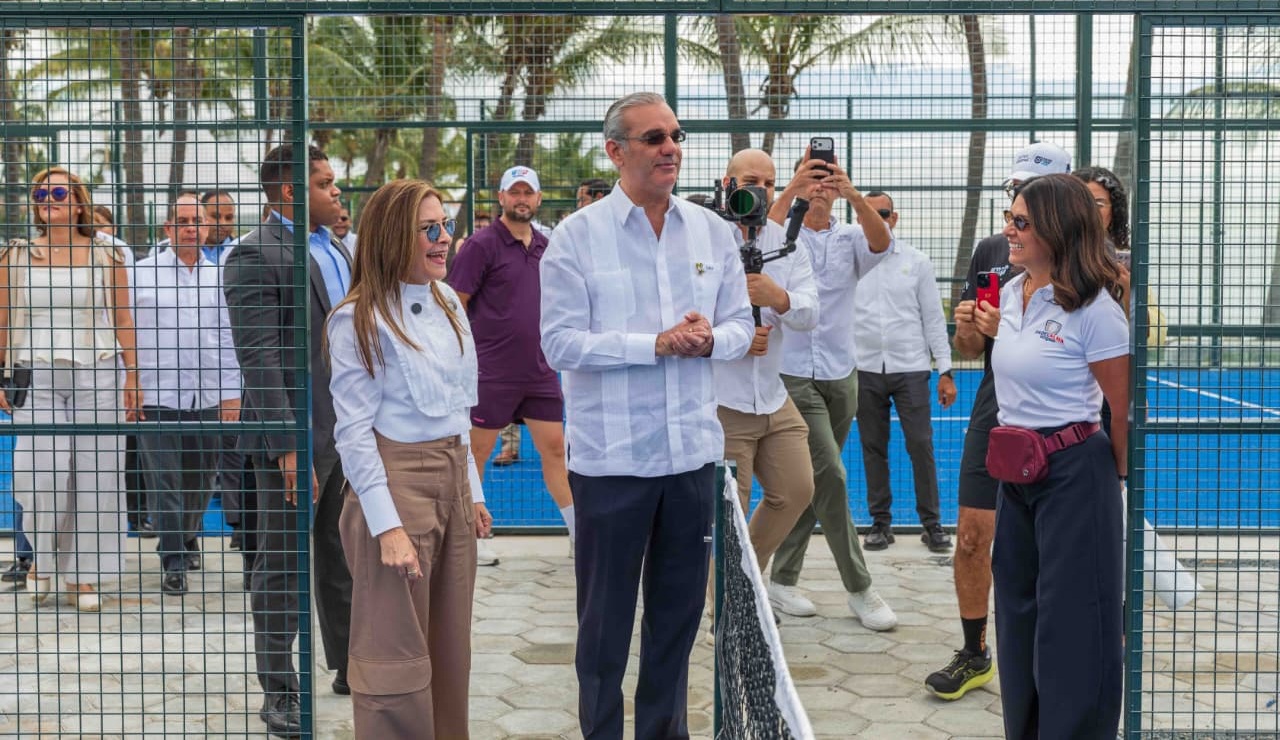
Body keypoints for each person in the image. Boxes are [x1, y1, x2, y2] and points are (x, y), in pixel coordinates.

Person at [540, 92, 753, 739]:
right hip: (612, 465)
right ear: (615, 152)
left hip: (690, 461)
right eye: (654, 137)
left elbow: (743, 325)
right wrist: (653, 343)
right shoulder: (576, 238)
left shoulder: (713, 233)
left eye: (676, 135)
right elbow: (559, 343)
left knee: (677, 625)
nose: (671, 148)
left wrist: (710, 337)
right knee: (603, 633)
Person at [327, 178, 493, 739]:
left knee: (451, 652)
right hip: (393, 486)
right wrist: (387, 526)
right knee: (392, 662)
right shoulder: (356, 318)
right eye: (429, 228)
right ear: (394, 236)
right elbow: (352, 434)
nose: (444, 237)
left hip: (451, 480)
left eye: (445, 225)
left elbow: (455, 409)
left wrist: (472, 489)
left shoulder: (448, 300)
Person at [925, 141, 1071, 700]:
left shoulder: (1089, 258)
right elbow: (968, 348)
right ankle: (975, 652)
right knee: (971, 536)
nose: (1016, 203)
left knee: (1050, 547)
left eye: (1029, 191)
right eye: (1013, 191)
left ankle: (1050, 655)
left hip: (1062, 416)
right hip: (997, 406)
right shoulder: (993, 248)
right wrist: (969, 326)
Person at [986, 173, 1129, 739]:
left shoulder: (1095, 309)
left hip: (1074, 474)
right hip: (1015, 475)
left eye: (1021, 222)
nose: (1009, 230)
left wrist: (1108, 483)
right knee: (1018, 617)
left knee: (1073, 628)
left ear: (1057, 229)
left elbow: (1120, 409)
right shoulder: (1014, 293)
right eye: (1010, 218)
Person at [222, 144, 352, 737]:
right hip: (297, 435)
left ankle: (352, 665)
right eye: (326, 183)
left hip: (351, 429)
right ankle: (279, 693)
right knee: (280, 566)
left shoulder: (339, 248)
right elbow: (259, 359)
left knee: (346, 554)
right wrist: (287, 441)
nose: (337, 192)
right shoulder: (253, 255)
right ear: (291, 192)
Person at [762, 147, 898, 632]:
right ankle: (860, 588)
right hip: (792, 371)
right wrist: (793, 187)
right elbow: (759, 239)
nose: (821, 181)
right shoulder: (783, 233)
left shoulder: (852, 236)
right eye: (814, 171)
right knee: (834, 475)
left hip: (843, 373)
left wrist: (853, 194)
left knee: (816, 480)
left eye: (827, 173)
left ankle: (782, 578)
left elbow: (883, 243)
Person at [0, 166, 139, 612]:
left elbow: (122, 319)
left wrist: (133, 375)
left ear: (78, 201)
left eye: (59, 191)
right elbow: (2, 320)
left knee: (98, 476)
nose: (49, 198)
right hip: (34, 374)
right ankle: (41, 561)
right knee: (42, 474)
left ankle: (86, 575)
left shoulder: (107, 255)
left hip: (97, 372)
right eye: (41, 192)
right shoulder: (15, 256)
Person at [448, 165, 574, 565]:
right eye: (513, 192)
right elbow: (456, 303)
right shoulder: (481, 245)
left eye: (528, 193)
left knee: (556, 450)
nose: (521, 199)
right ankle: (473, 539)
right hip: (490, 372)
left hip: (539, 370)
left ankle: (579, 536)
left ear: (538, 199)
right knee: (477, 454)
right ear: (501, 197)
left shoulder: (547, 245)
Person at [712, 148, 818, 573]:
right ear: (727, 185)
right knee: (726, 517)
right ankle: (726, 616)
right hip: (723, 400)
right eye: (750, 181)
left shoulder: (787, 242)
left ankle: (742, 580)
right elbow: (681, 314)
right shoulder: (705, 238)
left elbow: (810, 313)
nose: (760, 191)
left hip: (773, 397)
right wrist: (734, 338)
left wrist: (780, 298)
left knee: (796, 490)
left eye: (769, 184)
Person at [132, 192, 241, 596]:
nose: (191, 228)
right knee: (164, 482)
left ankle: (182, 535)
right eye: (182, 221)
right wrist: (133, 382)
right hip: (157, 395)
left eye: (197, 221)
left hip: (208, 396)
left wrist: (232, 393)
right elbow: (128, 336)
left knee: (200, 480)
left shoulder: (221, 276)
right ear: (168, 228)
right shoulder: (141, 274)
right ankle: (174, 560)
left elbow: (230, 340)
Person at [851, 192, 955, 552]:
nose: (877, 219)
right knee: (872, 447)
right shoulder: (850, 261)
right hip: (863, 368)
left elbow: (933, 317)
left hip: (910, 367)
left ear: (895, 218)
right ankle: (880, 524)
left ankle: (933, 524)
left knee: (921, 444)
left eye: (883, 213)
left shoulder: (917, 262)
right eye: (869, 213)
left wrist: (946, 369)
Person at [200, 190, 239, 264]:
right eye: (216, 216)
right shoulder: (184, 249)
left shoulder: (241, 252)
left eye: (228, 218)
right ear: (201, 215)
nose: (223, 224)